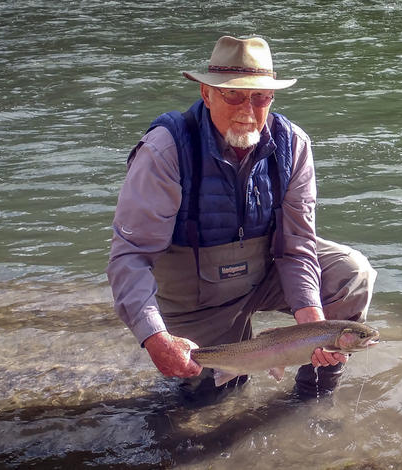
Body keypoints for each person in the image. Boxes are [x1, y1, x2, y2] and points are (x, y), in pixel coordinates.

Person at [106, 36, 376, 400]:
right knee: (210, 397)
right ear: (206, 93)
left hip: (264, 273)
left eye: (260, 96)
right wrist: (155, 337)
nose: (247, 108)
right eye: (233, 95)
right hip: (198, 295)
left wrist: (314, 327)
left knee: (353, 273)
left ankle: (314, 392)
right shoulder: (165, 150)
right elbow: (130, 256)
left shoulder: (293, 145)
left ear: (272, 98)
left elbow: (297, 249)